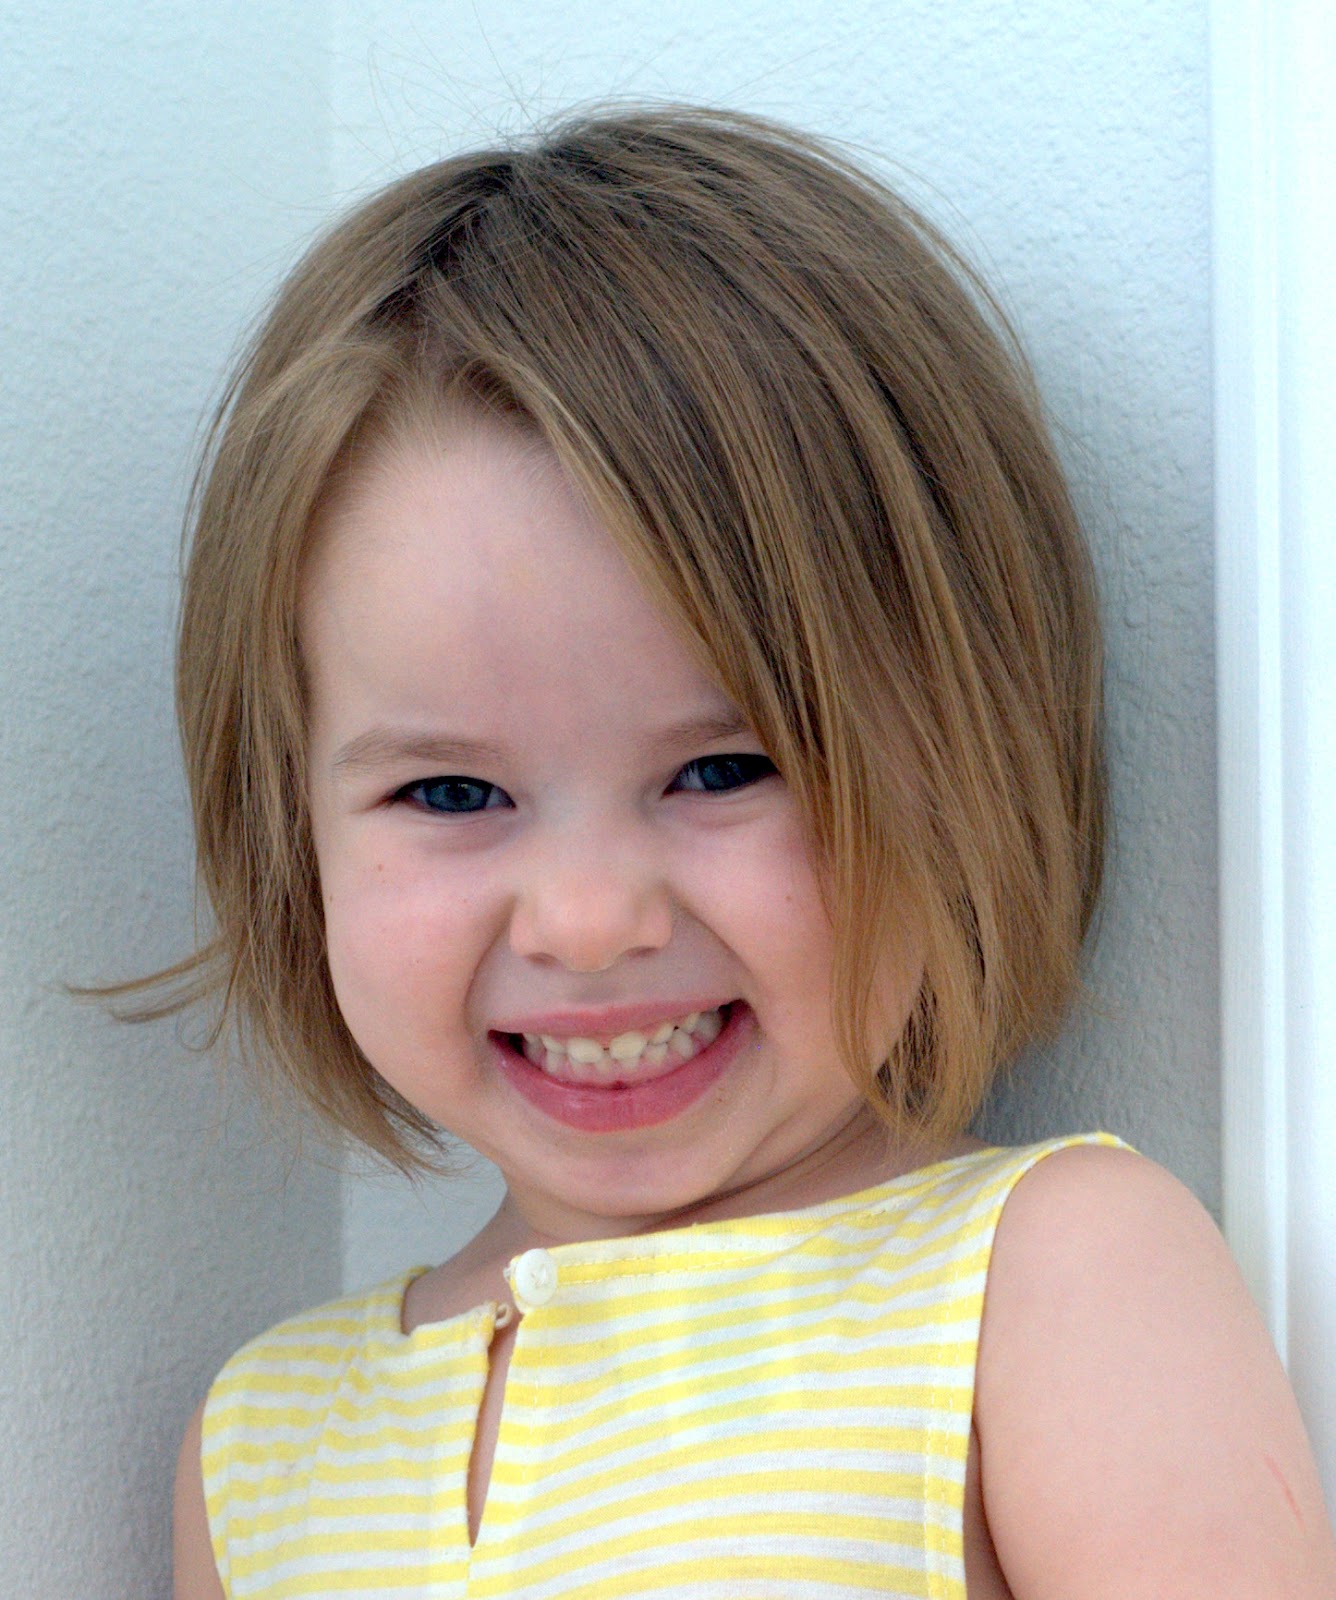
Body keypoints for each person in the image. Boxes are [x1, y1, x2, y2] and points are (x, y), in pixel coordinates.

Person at [148, 104, 1335, 1597]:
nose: (588, 919)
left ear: (963, 758)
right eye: (450, 793)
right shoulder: (259, 1449)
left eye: (723, 770)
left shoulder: (1045, 1280)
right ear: (288, 830)